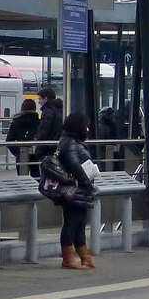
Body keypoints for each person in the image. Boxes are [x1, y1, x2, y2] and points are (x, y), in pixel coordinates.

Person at [57, 111, 98, 270]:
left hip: (79, 189)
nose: (87, 129)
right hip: (74, 188)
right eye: (85, 126)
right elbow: (75, 165)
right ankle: (67, 259)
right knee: (71, 222)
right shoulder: (70, 143)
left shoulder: (71, 141)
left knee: (80, 222)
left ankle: (84, 257)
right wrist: (87, 182)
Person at [6, 98, 40, 176]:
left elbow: (9, 141)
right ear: (34, 108)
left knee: (22, 178)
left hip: (20, 153)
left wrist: (17, 152)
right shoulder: (38, 122)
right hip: (34, 154)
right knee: (36, 176)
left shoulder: (16, 121)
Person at [34, 86, 64, 161]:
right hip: (56, 144)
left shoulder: (48, 111)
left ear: (46, 99)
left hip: (48, 147)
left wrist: (39, 149)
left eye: (40, 99)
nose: (39, 102)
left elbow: (44, 130)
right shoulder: (59, 109)